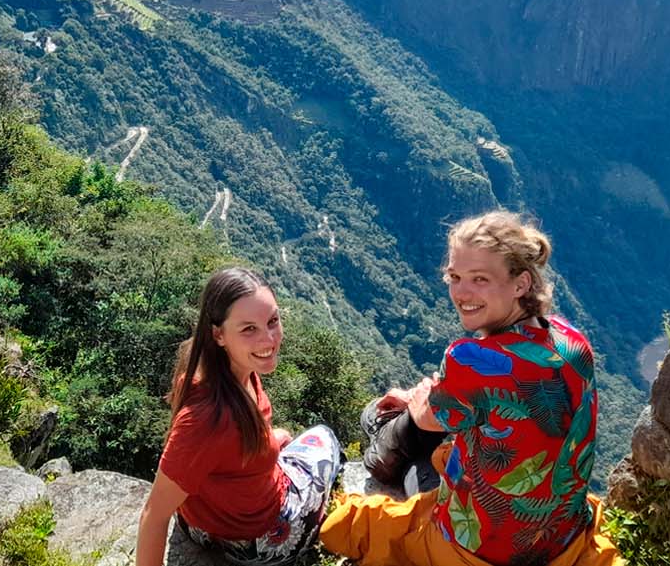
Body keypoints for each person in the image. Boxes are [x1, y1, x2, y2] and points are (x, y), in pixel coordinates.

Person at [321, 212, 622, 566]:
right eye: (455, 276)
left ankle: (380, 446)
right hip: (556, 538)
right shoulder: (572, 341)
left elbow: (428, 418)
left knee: (383, 451)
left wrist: (416, 401)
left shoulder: (471, 358)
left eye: (480, 279)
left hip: (480, 550)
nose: (461, 292)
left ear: (521, 284)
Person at [136, 267, 342, 566]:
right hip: (258, 540)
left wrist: (267, 441)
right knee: (325, 436)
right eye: (249, 329)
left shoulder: (211, 369)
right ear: (218, 334)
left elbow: (222, 452)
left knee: (282, 438)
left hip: (200, 525)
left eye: (273, 321)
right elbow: (154, 514)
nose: (269, 339)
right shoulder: (206, 419)